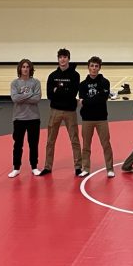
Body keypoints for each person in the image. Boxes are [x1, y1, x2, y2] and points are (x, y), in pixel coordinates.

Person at [40, 48, 82, 177]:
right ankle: (47, 166)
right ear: (58, 59)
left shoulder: (75, 75)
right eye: (60, 57)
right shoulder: (52, 75)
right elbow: (50, 95)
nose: (62, 59)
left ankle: (78, 167)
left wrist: (58, 90)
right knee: (50, 140)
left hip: (70, 112)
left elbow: (72, 94)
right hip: (55, 111)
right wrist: (64, 91)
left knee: (74, 139)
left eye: (65, 57)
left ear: (68, 59)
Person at [78, 56, 115, 178]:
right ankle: (86, 168)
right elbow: (94, 99)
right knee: (86, 146)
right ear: (88, 67)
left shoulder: (105, 82)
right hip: (87, 119)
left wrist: (86, 101)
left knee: (106, 144)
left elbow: (102, 99)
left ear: (99, 68)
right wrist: (93, 99)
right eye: (92, 66)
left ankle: (110, 169)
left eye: (96, 66)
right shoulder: (82, 85)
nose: (94, 68)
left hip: (101, 118)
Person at [9, 59, 42, 178]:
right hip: (19, 118)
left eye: (28, 67)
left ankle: (34, 167)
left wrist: (21, 96)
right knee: (18, 144)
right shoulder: (15, 83)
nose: (25, 69)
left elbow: (37, 99)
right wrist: (30, 94)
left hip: (33, 118)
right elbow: (15, 99)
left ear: (30, 69)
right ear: (20, 69)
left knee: (33, 144)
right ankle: (16, 168)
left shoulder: (36, 82)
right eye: (23, 67)